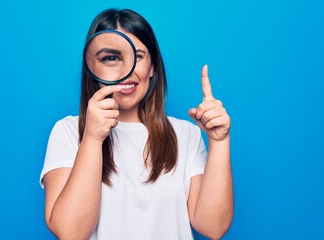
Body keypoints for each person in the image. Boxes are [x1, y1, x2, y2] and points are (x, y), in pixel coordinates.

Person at [40, 8, 233, 240]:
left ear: (152, 67)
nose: (125, 71)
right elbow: (70, 233)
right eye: (110, 58)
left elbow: (213, 226)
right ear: (93, 68)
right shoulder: (68, 132)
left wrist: (219, 141)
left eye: (138, 56)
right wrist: (91, 138)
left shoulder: (186, 135)